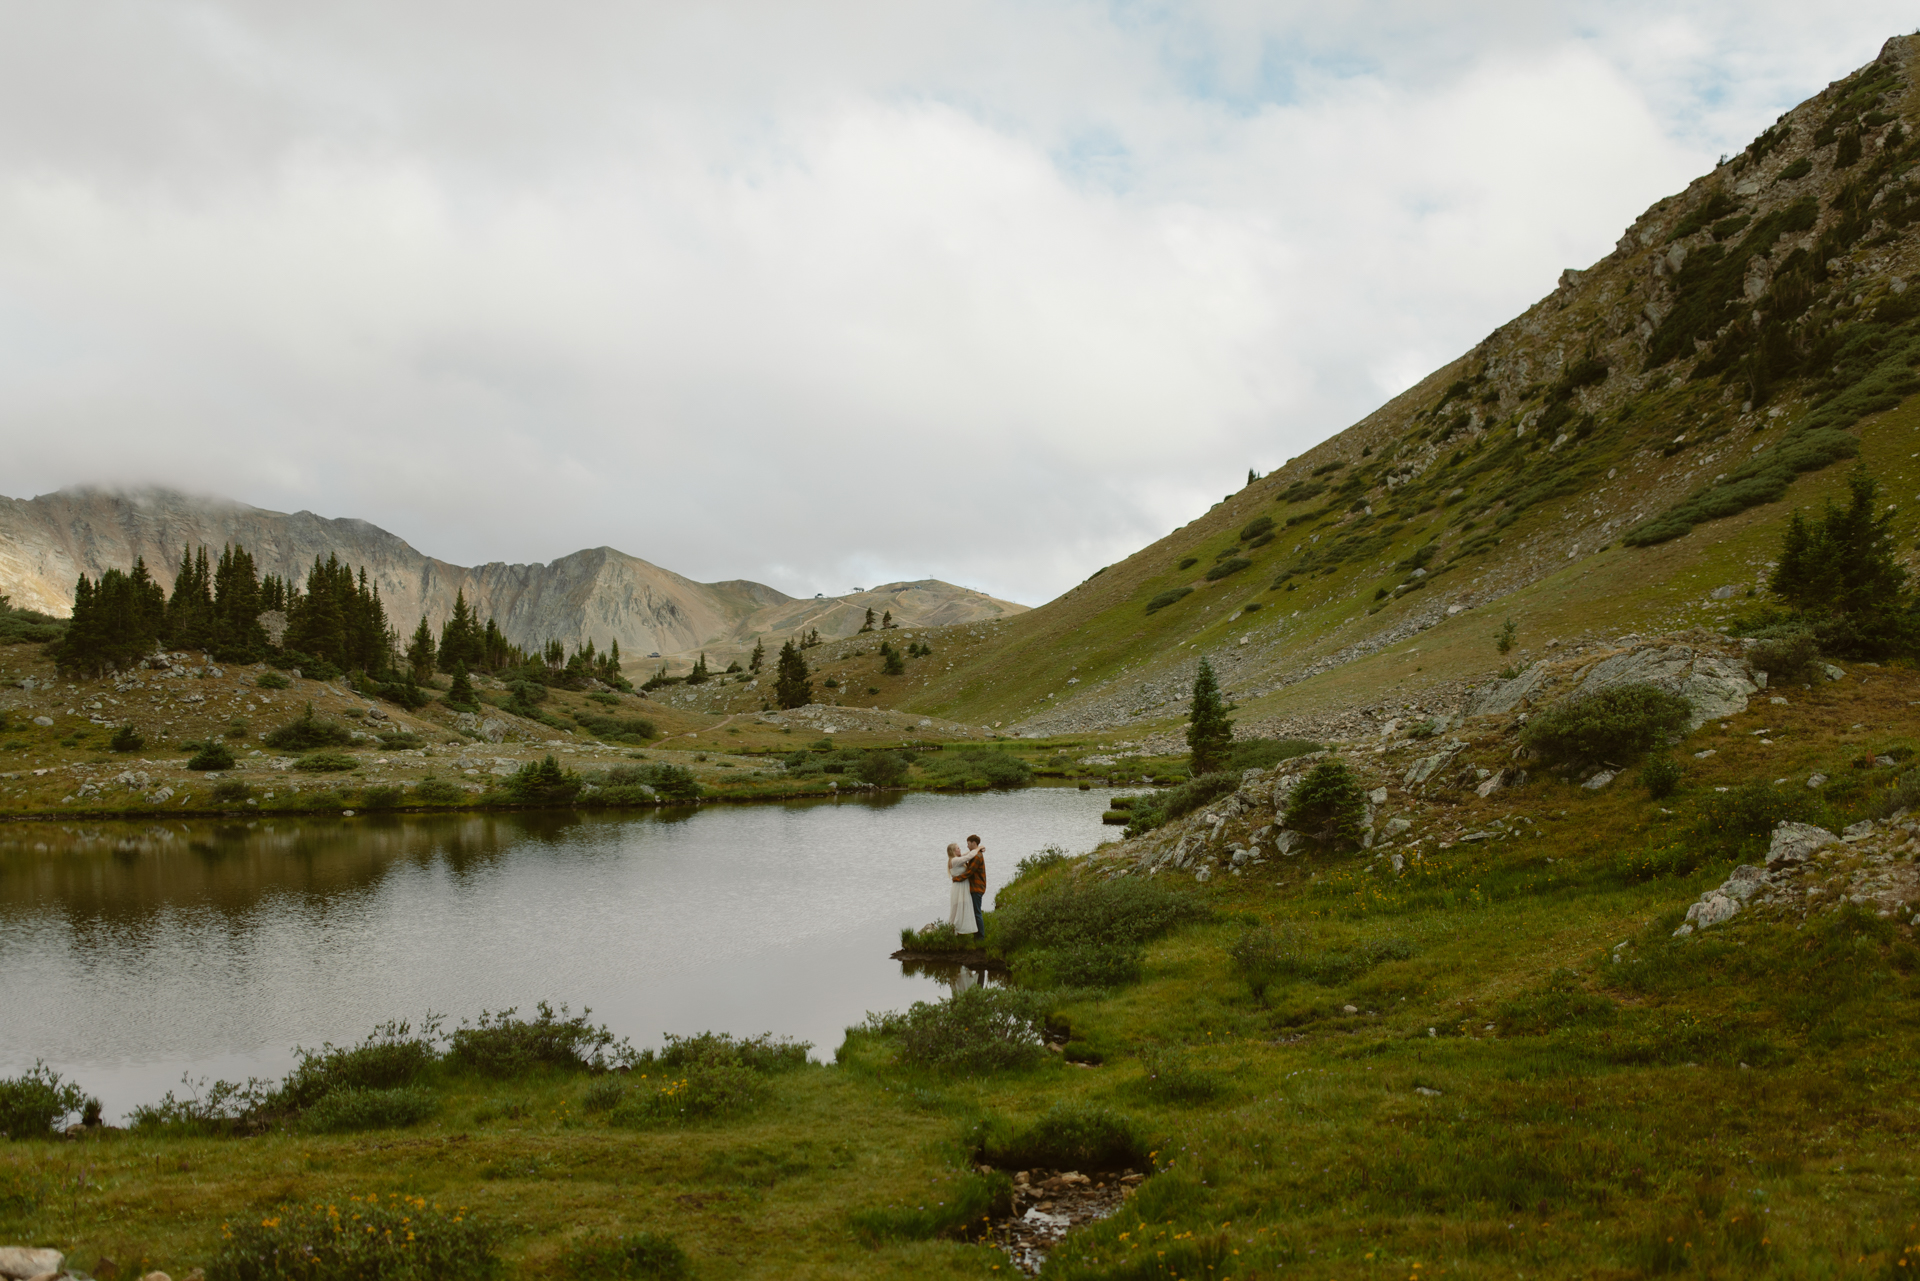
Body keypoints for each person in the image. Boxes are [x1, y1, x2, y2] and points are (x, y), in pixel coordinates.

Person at [946, 842, 978, 936]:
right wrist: (978, 847)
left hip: (961, 887)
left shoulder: (955, 859)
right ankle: (956, 930)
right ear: (953, 851)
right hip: (959, 888)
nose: (960, 849)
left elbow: (966, 854)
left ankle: (957, 930)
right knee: (958, 909)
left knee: (960, 908)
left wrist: (976, 849)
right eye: (958, 848)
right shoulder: (954, 860)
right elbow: (968, 857)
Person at [961, 835, 986, 940]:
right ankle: (977, 934)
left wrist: (957, 879)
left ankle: (980, 936)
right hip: (976, 887)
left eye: (968, 843)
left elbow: (970, 872)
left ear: (974, 843)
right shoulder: (975, 854)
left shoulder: (977, 856)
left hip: (977, 888)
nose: (967, 846)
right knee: (975, 912)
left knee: (976, 912)